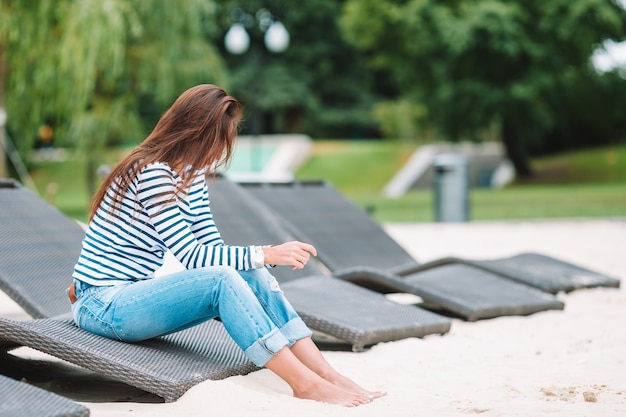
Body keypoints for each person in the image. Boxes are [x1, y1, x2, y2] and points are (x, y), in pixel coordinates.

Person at [69, 84, 386, 407]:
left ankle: (327, 375)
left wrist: (259, 263)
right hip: (103, 305)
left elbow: (213, 249)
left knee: (250, 274)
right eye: (220, 141)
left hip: (133, 299)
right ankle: (304, 384)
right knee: (228, 275)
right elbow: (193, 257)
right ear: (195, 133)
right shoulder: (152, 172)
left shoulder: (192, 177)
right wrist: (267, 253)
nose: (221, 152)